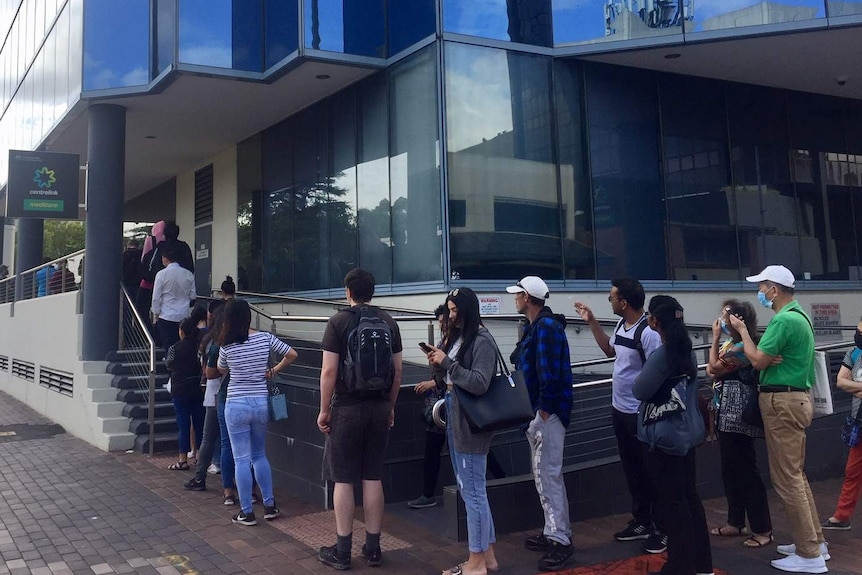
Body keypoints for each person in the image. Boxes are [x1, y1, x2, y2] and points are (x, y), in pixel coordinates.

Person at [728, 265, 828, 573]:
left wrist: (744, 333)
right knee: (796, 475)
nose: (760, 292)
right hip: (796, 398)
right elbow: (766, 357)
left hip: (782, 401)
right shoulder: (799, 317)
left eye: (762, 286)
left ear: (774, 288)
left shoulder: (783, 320)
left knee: (787, 479)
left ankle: (809, 553)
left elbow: (757, 361)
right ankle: (813, 542)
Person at [316, 268, 403, 570]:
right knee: (372, 475)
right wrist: (390, 406)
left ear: (348, 292)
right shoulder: (389, 322)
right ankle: (374, 548)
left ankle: (342, 551)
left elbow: (328, 371)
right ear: (372, 292)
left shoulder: (338, 322)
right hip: (379, 406)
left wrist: (324, 409)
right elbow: (398, 371)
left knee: (343, 477)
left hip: (348, 407)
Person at [574, 279, 665, 553]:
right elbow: (610, 351)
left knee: (651, 471)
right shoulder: (620, 325)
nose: (610, 301)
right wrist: (591, 322)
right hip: (620, 410)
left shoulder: (648, 333)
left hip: (640, 413)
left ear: (624, 302)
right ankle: (642, 521)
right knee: (632, 469)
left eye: (612, 297)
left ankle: (662, 528)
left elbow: (658, 371)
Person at [633, 295, 713, 575]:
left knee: (672, 504)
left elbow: (639, 390)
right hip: (687, 433)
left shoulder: (663, 356)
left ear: (655, 321)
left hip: (664, 437)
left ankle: (680, 566)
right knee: (690, 498)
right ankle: (702, 565)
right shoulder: (686, 350)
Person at [426, 287, 500, 575]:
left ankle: (477, 561)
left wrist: (447, 363)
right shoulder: (458, 338)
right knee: (471, 489)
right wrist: (438, 362)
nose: (451, 315)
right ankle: (488, 555)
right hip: (456, 412)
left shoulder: (481, 340)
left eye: (456, 310)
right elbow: (448, 374)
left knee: (473, 491)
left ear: (468, 310)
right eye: (449, 309)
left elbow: (480, 382)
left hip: (470, 420)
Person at [507, 276, 575, 572]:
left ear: (528, 297)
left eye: (518, 294)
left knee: (547, 475)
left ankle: (560, 539)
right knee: (546, 476)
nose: (515, 298)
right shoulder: (541, 326)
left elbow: (548, 375)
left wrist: (542, 414)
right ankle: (554, 533)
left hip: (546, 413)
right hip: (544, 413)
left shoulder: (544, 328)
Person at [217, 298, 297, 526]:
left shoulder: (226, 345)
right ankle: (270, 505)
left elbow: (222, 368)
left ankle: (246, 511)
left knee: (241, 458)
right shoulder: (264, 338)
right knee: (259, 455)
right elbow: (292, 354)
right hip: (260, 402)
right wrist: (273, 370)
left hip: (236, 405)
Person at [706, 300, 773, 547]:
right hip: (725, 415)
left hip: (739, 417)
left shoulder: (744, 347)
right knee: (729, 469)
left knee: (746, 471)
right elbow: (710, 372)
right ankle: (736, 521)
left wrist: (713, 339)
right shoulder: (731, 345)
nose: (722, 322)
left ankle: (763, 528)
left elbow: (714, 368)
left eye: (726, 317)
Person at [820, 316, 862, 531]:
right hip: (859, 421)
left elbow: (848, 383)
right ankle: (842, 516)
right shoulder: (854, 353)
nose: (859, 334)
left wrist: (854, 386)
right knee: (852, 470)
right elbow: (840, 381)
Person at [408, 304, 449, 510]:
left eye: (444, 321)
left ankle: (502, 479)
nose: (442, 326)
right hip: (439, 405)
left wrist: (433, 383)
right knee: (432, 449)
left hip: (450, 403)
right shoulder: (445, 342)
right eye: (440, 322)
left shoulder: (456, 343)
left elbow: (454, 372)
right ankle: (427, 493)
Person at [165, 318, 205, 471]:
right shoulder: (199, 347)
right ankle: (201, 457)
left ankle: (183, 459)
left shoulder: (174, 348)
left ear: (181, 331)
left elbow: (169, 364)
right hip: (196, 388)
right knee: (199, 424)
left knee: (183, 425)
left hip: (180, 389)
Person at [151, 244, 196, 351]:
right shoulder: (188, 274)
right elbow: (193, 295)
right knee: (183, 347)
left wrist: (156, 312)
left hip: (166, 316)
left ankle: (170, 365)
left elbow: (156, 297)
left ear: (165, 258)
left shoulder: (161, 274)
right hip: (183, 315)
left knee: (169, 347)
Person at [137, 221, 168, 342]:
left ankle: (149, 335)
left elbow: (144, 258)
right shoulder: (168, 242)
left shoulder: (150, 240)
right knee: (161, 312)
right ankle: (159, 335)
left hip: (147, 284)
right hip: (163, 283)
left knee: (141, 309)